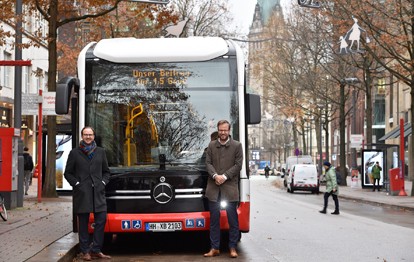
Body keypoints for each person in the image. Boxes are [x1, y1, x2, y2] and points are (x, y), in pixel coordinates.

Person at [64, 126, 111, 261]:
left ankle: (96, 249)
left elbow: (106, 172)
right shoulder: (74, 153)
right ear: (82, 136)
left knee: (101, 221)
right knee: (83, 224)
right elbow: (68, 173)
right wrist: (77, 184)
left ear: (94, 136)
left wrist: (102, 183)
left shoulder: (101, 152)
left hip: (98, 193)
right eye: (86, 134)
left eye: (90, 134)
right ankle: (85, 251)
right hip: (82, 193)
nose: (88, 137)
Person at [204, 120, 243, 258]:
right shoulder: (211, 145)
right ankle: (214, 248)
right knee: (214, 221)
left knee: (233, 220)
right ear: (218, 130)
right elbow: (207, 163)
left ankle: (232, 248)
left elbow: (238, 165)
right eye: (221, 130)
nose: (223, 132)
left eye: (225, 130)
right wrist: (215, 175)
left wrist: (224, 176)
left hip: (230, 188)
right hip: (213, 189)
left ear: (229, 130)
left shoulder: (237, 146)